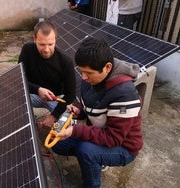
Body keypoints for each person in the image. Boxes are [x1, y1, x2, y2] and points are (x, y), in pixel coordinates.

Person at [52, 36, 143, 187]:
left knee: (86, 151)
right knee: (58, 143)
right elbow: (88, 105)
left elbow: (113, 139)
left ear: (107, 67)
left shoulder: (125, 94)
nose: (83, 77)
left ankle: (92, 182)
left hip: (123, 147)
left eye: (88, 73)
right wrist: (78, 110)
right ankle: (97, 157)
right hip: (100, 134)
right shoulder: (92, 78)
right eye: (81, 71)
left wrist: (74, 130)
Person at [18, 21, 76, 127]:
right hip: (33, 94)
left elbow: (71, 94)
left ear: (55, 40)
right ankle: (27, 125)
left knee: (66, 123)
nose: (46, 49)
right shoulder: (27, 50)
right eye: (42, 44)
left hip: (56, 98)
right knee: (10, 102)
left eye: (50, 44)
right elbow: (19, 78)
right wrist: (38, 89)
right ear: (34, 39)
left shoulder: (65, 61)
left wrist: (53, 116)